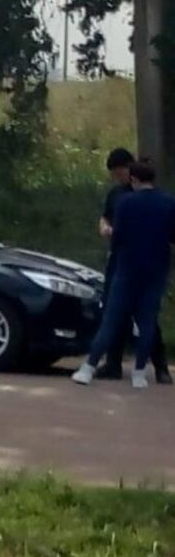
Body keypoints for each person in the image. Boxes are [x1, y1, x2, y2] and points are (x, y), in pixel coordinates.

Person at [74, 160, 175, 389]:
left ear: (134, 179)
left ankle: (88, 368)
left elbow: (118, 237)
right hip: (157, 267)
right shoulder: (169, 201)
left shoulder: (126, 202)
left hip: (128, 267)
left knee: (112, 318)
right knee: (148, 320)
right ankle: (139, 373)